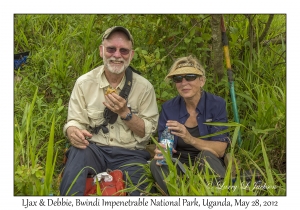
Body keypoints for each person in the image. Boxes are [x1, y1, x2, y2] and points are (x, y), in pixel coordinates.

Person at [60, 26, 159, 196]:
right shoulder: (84, 83)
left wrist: (126, 114)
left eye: (124, 51)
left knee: (141, 189)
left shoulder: (144, 88)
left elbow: (148, 132)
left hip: (130, 154)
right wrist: (72, 130)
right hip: (94, 149)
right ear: (101, 51)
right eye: (111, 49)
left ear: (131, 55)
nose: (117, 55)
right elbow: (75, 120)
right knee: (77, 153)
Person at [150, 55, 230, 195]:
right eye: (178, 79)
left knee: (206, 156)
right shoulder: (169, 108)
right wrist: (161, 150)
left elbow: (220, 149)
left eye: (190, 77)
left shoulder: (216, 104)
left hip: (208, 161)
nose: (184, 83)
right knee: (157, 164)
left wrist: (190, 138)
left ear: (202, 81)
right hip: (179, 162)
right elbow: (165, 141)